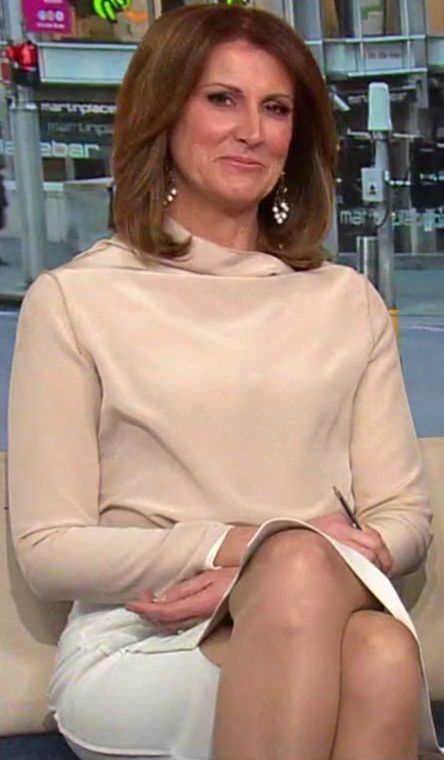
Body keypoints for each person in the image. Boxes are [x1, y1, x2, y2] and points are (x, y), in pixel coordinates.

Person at [7, 5, 441, 760]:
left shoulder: (346, 303)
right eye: (221, 99)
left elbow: (402, 518)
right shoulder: (76, 299)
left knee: (378, 652)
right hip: (144, 634)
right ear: (165, 113)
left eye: (276, 108)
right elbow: (50, 549)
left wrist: (287, 578)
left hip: (331, 615)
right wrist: (254, 556)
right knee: (331, 608)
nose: (251, 131)